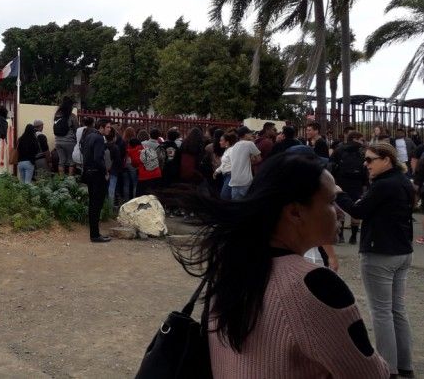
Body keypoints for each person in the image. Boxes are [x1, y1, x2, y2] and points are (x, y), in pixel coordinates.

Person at [172, 152, 388, 377]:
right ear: (295, 212)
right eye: (331, 201)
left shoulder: (230, 267)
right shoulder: (315, 285)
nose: (339, 213)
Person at [336, 142, 416, 377]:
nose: (365, 164)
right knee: (397, 309)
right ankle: (405, 365)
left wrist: (338, 194)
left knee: (381, 312)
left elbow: (358, 212)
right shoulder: (402, 182)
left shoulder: (383, 185)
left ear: (386, 160)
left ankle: (387, 368)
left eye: (370, 160)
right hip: (402, 251)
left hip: (380, 252)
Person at [329, 131, 367, 244]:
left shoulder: (339, 149)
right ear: (355, 138)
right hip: (357, 183)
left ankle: (340, 236)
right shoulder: (362, 151)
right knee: (356, 207)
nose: (362, 142)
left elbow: (331, 165)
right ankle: (354, 237)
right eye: (361, 139)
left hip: (341, 182)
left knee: (341, 208)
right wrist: (365, 184)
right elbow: (366, 168)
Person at [82, 118, 112, 242]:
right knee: (97, 205)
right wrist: (105, 172)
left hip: (88, 173)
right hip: (97, 174)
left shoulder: (89, 136)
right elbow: (98, 158)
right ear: (101, 127)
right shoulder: (99, 138)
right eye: (108, 127)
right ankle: (95, 235)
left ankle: (94, 233)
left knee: (93, 204)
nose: (110, 129)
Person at [228, 126, 261, 200]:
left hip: (234, 181)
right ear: (245, 135)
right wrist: (250, 161)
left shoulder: (234, 146)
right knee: (246, 205)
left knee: (235, 206)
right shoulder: (249, 144)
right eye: (250, 133)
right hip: (245, 181)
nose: (251, 135)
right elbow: (259, 159)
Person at [53, 97, 79, 176]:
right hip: (69, 141)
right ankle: (70, 180)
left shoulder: (57, 115)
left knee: (61, 161)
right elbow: (76, 129)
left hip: (58, 141)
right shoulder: (72, 116)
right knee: (71, 161)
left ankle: (61, 180)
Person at [213, 131, 237, 200]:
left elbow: (235, 164)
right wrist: (217, 171)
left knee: (224, 196)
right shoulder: (227, 150)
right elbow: (224, 164)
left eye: (221, 141)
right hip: (226, 176)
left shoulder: (231, 150)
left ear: (227, 142)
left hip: (230, 176)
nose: (219, 142)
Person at [105, 128, 125, 206]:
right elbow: (118, 161)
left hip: (105, 170)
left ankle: (106, 206)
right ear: (114, 137)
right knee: (112, 189)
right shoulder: (115, 147)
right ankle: (110, 208)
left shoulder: (104, 145)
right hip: (114, 171)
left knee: (106, 189)